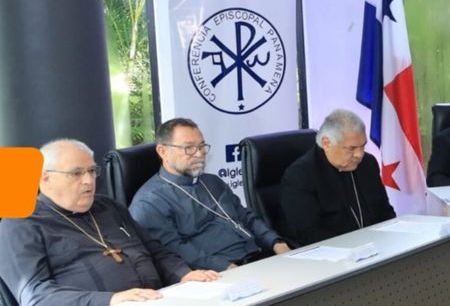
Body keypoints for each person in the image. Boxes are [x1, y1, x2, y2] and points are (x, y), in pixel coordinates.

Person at [0, 139, 218, 306]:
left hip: (160, 299)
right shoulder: (20, 223)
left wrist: (183, 273)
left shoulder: (108, 207)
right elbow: (36, 296)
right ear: (45, 177)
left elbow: (155, 250)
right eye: (76, 173)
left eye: (92, 171)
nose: (88, 180)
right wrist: (111, 300)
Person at [130, 118, 290, 272]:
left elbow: (246, 216)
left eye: (201, 146)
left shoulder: (212, 182)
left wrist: (276, 243)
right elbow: (175, 251)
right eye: (189, 148)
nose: (199, 154)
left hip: (260, 258)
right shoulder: (149, 202)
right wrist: (227, 269)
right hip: (219, 273)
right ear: (163, 151)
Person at [279, 109, 396, 247]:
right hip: (332, 256)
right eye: (351, 148)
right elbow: (308, 233)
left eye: (363, 146)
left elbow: (385, 212)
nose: (359, 154)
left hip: (376, 248)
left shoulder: (368, 164)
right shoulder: (300, 175)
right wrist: (356, 247)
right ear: (326, 144)